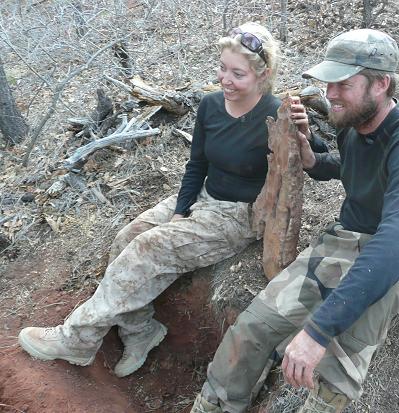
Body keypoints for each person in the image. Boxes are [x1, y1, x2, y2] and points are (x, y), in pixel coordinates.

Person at [18, 22, 316, 378]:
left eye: (238, 73)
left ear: (262, 73)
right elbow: (198, 164)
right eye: (222, 67)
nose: (226, 79)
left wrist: (305, 137)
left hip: (238, 216)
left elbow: (318, 167)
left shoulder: (276, 115)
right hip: (202, 195)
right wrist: (179, 210)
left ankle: (77, 337)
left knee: (150, 248)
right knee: (128, 237)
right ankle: (141, 331)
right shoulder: (210, 106)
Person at [190, 29, 399, 413]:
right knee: (253, 327)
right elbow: (352, 170)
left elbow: (395, 244)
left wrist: (317, 331)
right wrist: (314, 160)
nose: (331, 94)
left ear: (381, 84)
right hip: (343, 240)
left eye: (343, 84)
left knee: (340, 350)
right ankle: (215, 405)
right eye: (329, 82)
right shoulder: (354, 127)